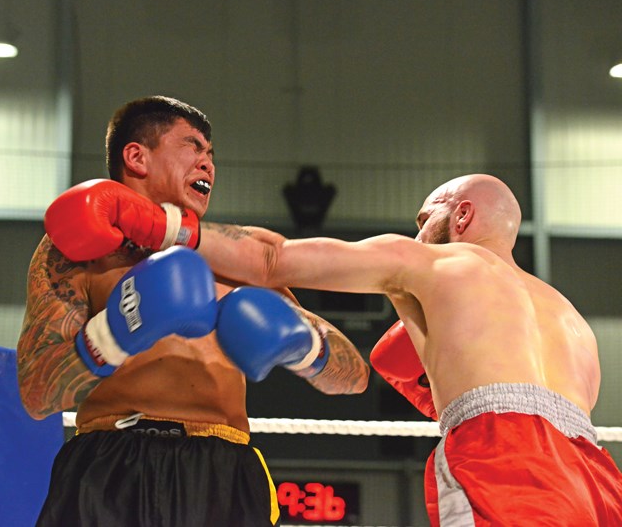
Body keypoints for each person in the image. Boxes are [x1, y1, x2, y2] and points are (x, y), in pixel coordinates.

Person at [16, 95, 370, 527]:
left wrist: (303, 345)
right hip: (110, 466)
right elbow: (36, 394)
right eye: (192, 146)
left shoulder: (244, 254)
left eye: (211, 154)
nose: (208, 164)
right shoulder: (77, 252)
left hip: (223, 472)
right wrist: (116, 333)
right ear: (136, 156)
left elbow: (353, 378)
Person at [190, 174, 622, 525]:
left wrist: (162, 223)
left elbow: (269, 258)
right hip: (597, 477)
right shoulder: (570, 317)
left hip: (506, 460)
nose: (417, 233)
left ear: (462, 213)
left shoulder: (432, 263)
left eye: (424, 218)